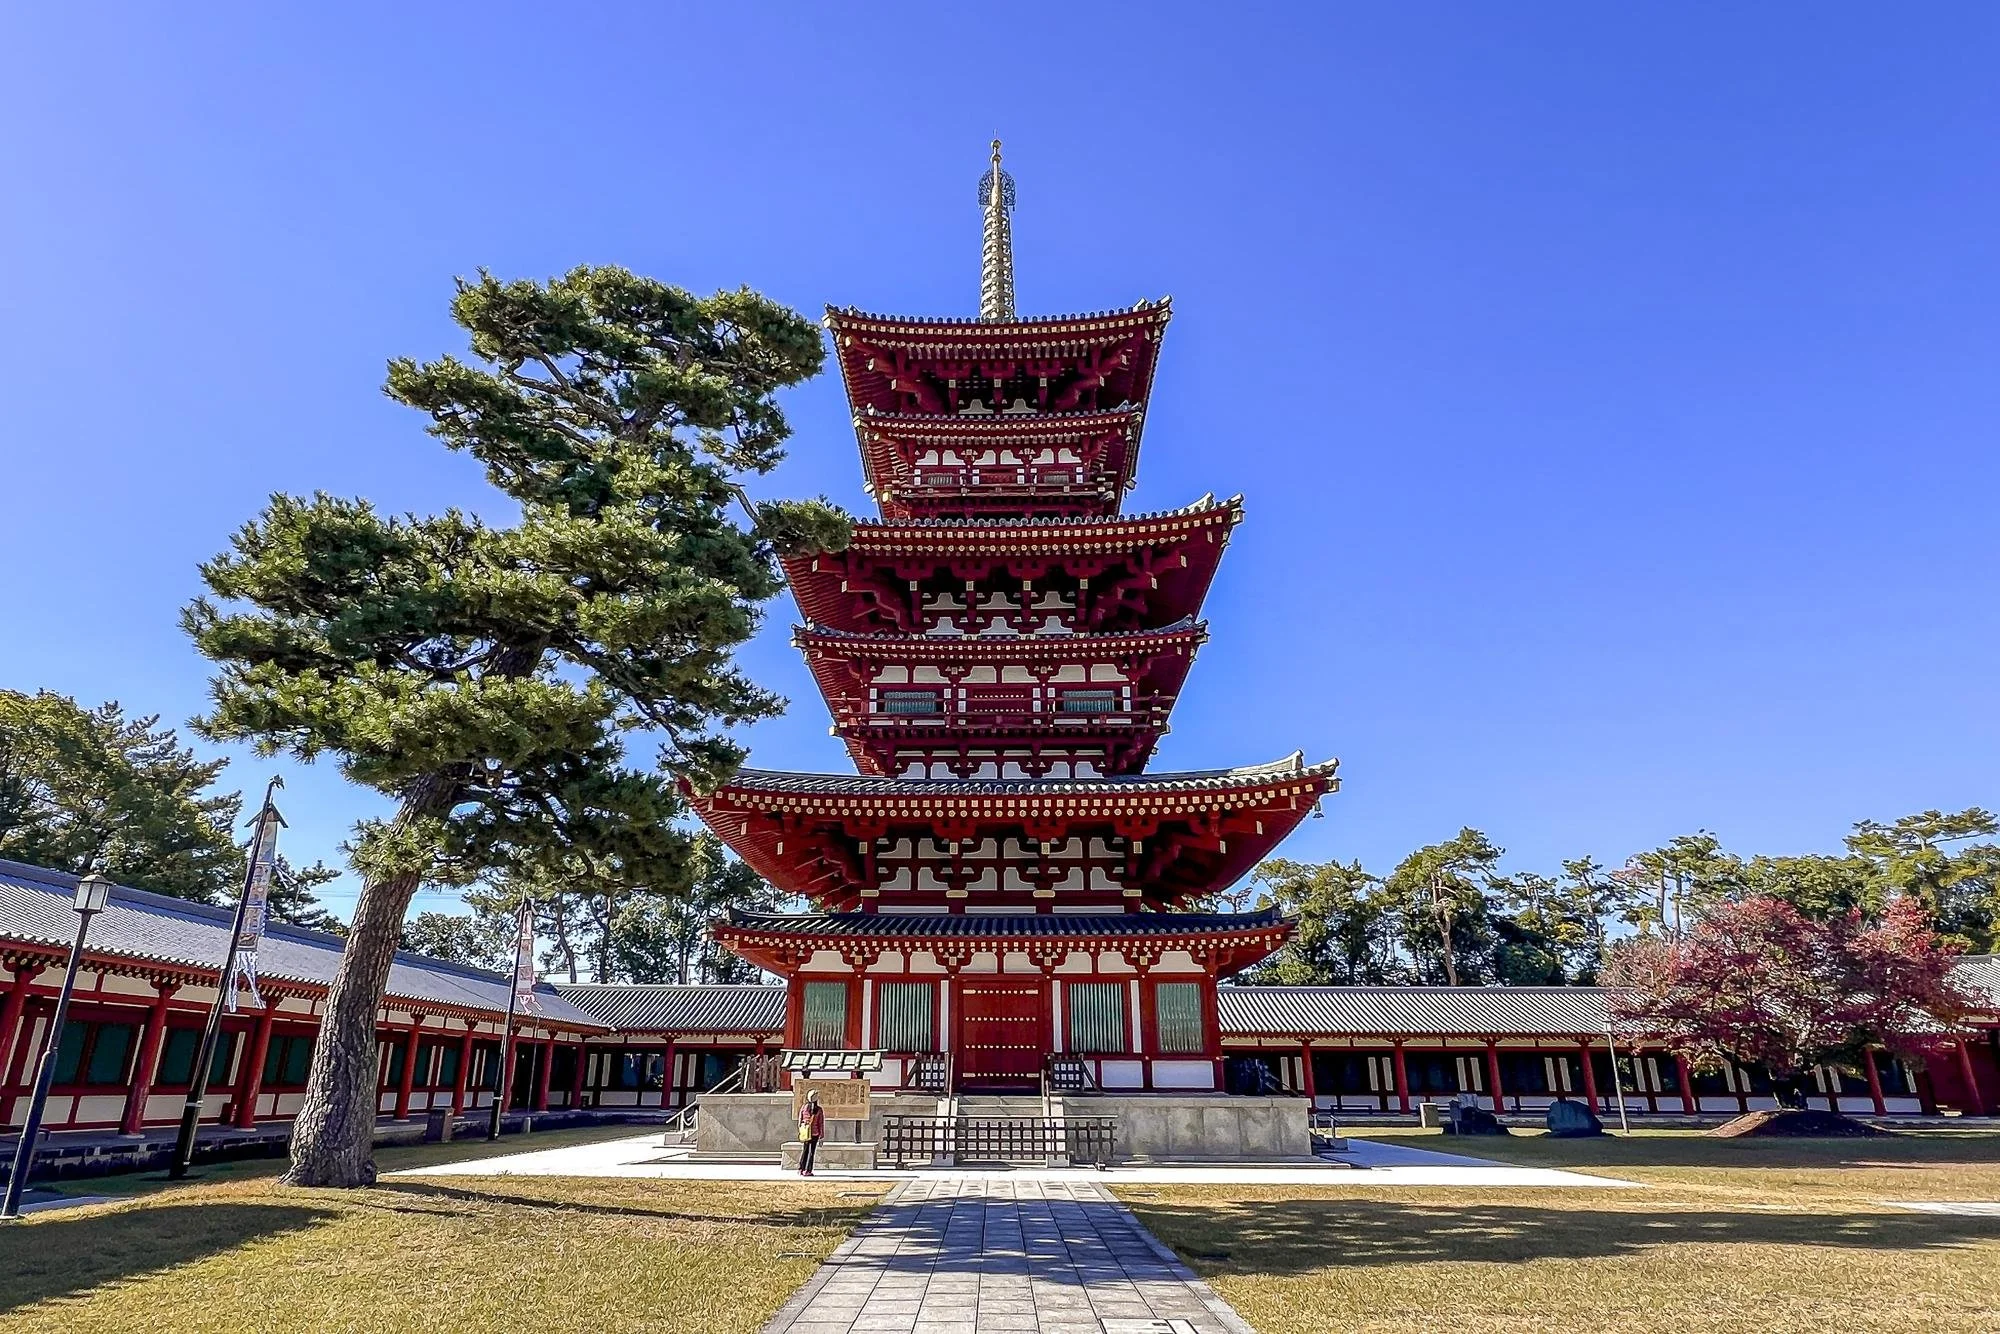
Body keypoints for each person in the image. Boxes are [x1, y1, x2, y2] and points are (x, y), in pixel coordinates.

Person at [797, 1090, 825, 1176]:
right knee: (811, 1152)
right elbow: (820, 1123)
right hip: (815, 1133)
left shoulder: (804, 1108)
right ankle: (808, 1170)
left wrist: (801, 1129)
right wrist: (822, 1134)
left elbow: (800, 1121)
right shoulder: (819, 1110)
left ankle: (801, 1168)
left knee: (805, 1150)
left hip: (806, 1132)